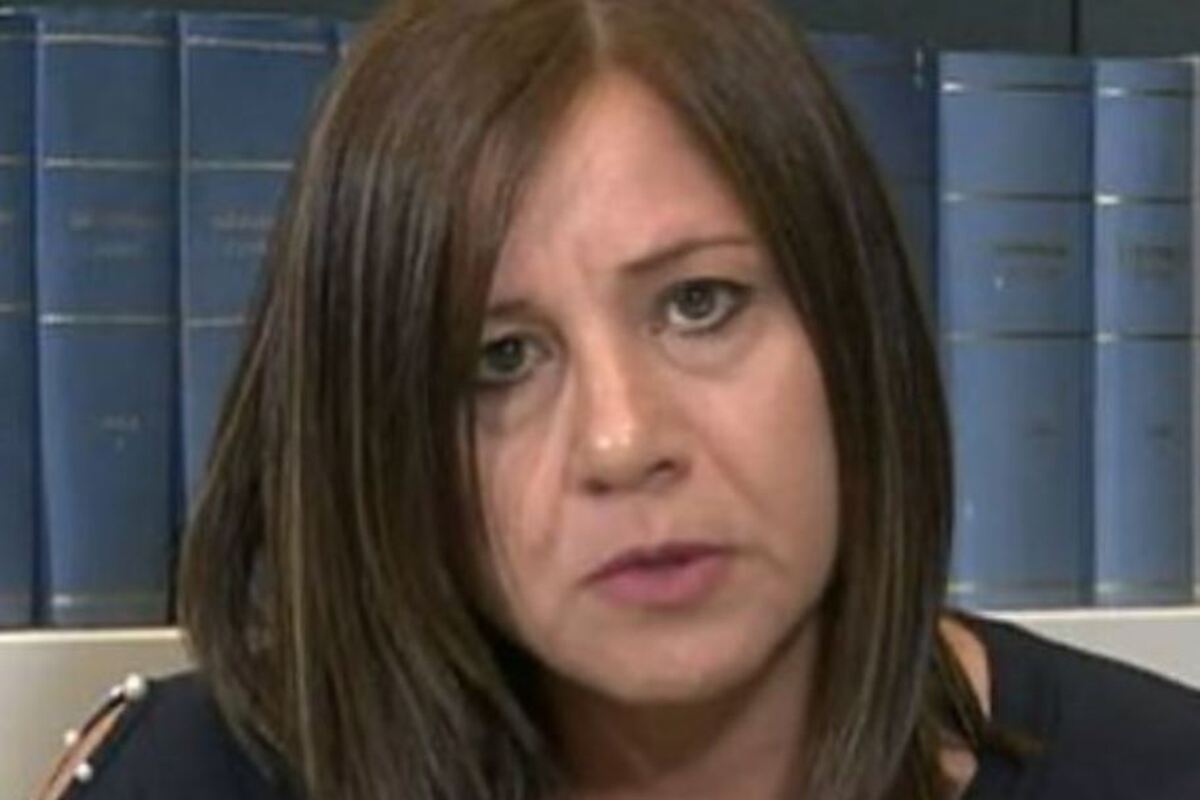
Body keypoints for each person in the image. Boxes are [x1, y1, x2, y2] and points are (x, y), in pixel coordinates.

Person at [38, 0, 1200, 798]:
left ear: (854, 335)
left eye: (700, 302)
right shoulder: (179, 779)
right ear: (381, 440)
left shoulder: (1156, 769)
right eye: (499, 359)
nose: (622, 438)